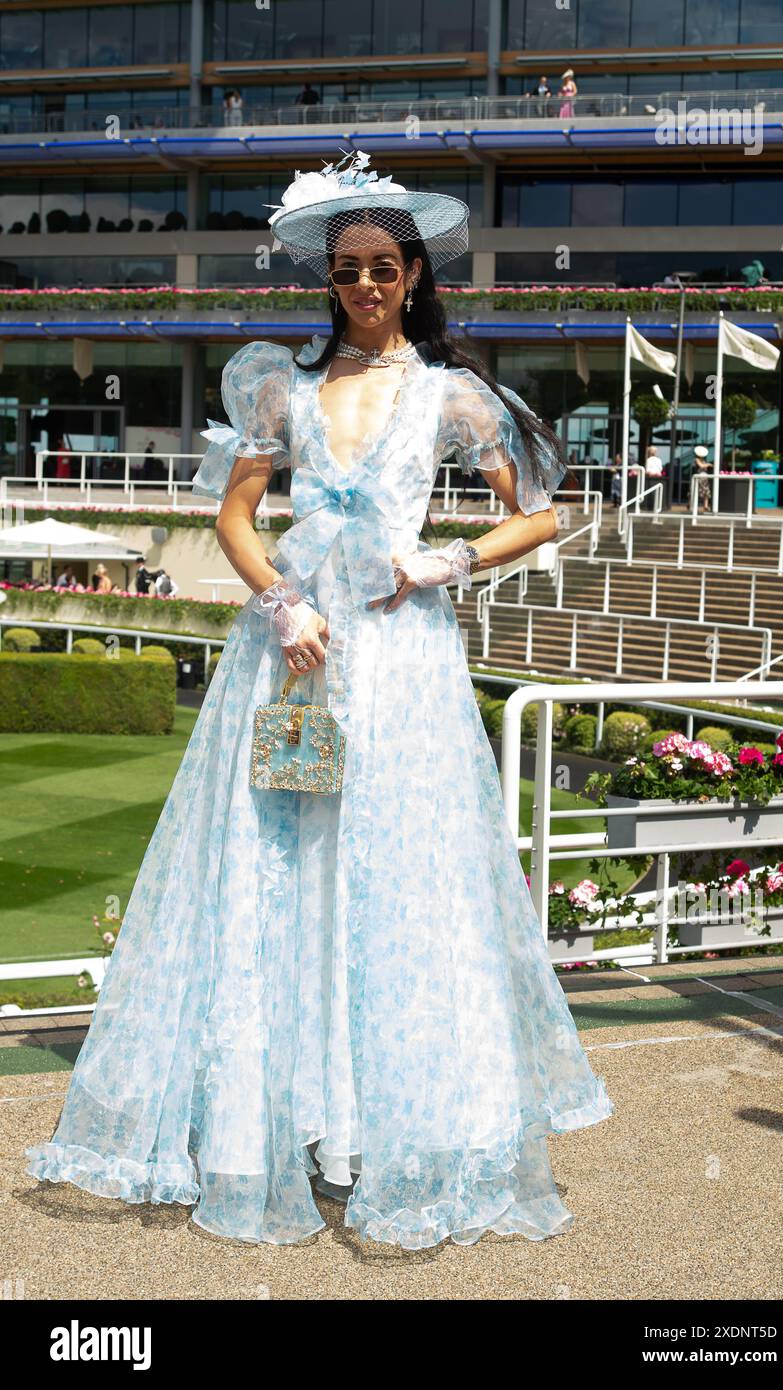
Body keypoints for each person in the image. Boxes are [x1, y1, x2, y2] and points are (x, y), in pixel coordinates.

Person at [25, 149, 613, 1251]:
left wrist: (443, 563)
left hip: (402, 662)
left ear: (412, 274)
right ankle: (285, 1122)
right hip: (296, 655)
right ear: (327, 278)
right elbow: (236, 521)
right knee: (279, 872)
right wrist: (280, 604)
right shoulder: (281, 390)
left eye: (382, 267)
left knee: (401, 879)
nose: (364, 286)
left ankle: (396, 1124)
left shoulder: (448, 394)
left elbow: (539, 513)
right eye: (346, 269)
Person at [693, 444, 712, 512]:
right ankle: (692, 505)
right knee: (696, 492)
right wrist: (708, 464)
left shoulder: (704, 460)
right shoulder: (696, 459)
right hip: (699, 477)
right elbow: (701, 466)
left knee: (706, 492)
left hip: (705, 477)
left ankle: (705, 506)